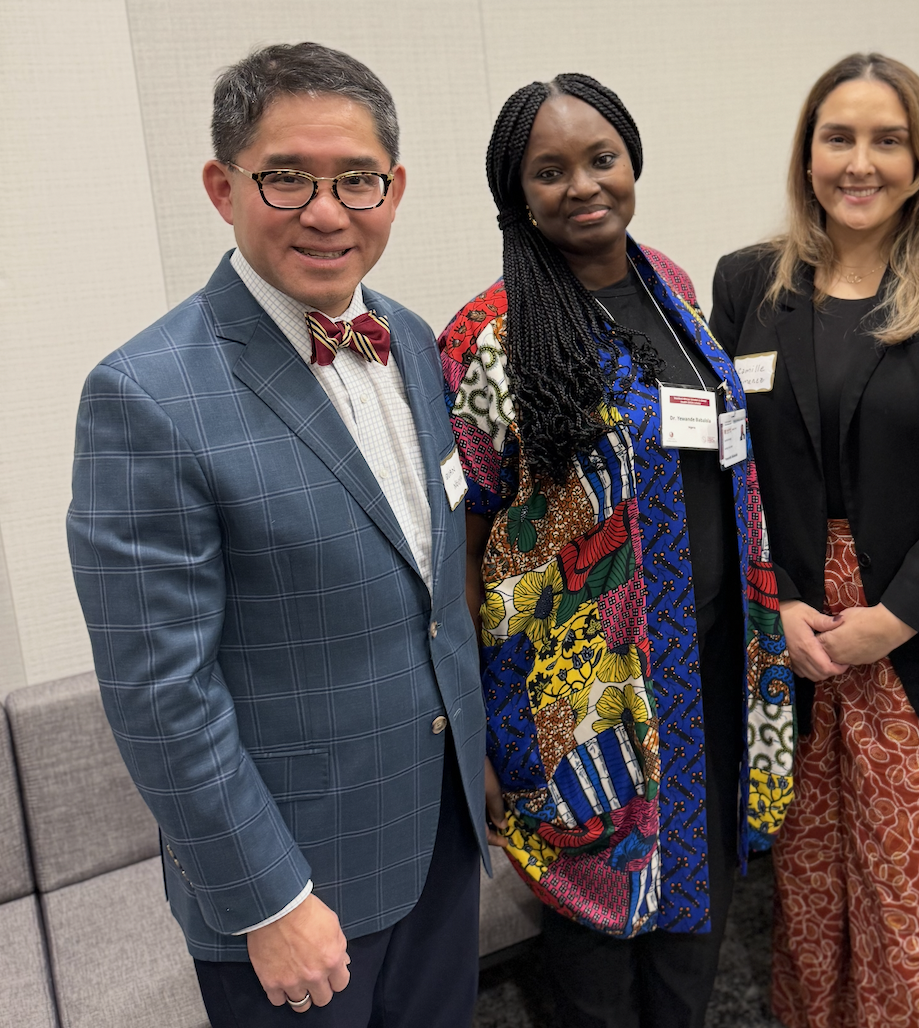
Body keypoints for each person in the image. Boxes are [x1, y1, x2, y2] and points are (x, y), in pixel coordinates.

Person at [66, 43, 486, 1027]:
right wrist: (268, 896)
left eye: (356, 179)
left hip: (438, 836)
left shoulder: (415, 339)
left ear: (396, 186)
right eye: (286, 176)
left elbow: (429, 596)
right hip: (297, 885)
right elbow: (160, 688)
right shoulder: (144, 395)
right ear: (223, 186)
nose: (327, 210)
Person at [439, 73, 795, 1028]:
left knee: (700, 902)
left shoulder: (670, 285)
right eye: (548, 171)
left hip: (715, 657)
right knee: (596, 926)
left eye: (601, 158)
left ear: (632, 160)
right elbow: (462, 544)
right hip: (578, 697)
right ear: (516, 193)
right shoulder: (486, 337)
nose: (583, 185)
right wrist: (469, 714)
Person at [709, 53, 919, 1028]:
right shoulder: (746, 285)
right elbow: (726, 468)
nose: (860, 162)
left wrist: (891, 620)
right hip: (802, 642)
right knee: (814, 894)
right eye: (838, 137)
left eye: (887, 139)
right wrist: (776, 599)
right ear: (807, 153)